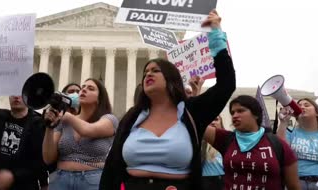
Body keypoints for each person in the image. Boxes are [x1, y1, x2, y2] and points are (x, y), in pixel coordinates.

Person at [100, 10, 236, 190]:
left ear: (172, 79)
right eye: (145, 72)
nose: (148, 74)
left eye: (155, 70)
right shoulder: (132, 117)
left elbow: (226, 85)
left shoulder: (192, 112)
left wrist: (216, 35)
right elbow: (112, 167)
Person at [0, 49, 49, 190]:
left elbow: (40, 161)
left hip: (23, 186)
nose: (16, 96)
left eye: (20, 93)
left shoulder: (38, 123)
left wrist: (14, 176)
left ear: (28, 97)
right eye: (13, 92)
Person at [206, 95, 300, 190]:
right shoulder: (225, 138)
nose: (234, 115)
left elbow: (293, 186)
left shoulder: (278, 144)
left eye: (240, 111)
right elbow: (197, 123)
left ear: (256, 115)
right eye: (232, 112)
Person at [42, 78, 119, 190]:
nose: (83, 90)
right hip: (60, 180)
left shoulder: (109, 120)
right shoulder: (63, 121)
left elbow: (88, 130)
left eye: (90, 88)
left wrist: (66, 116)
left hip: (93, 181)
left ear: (99, 98)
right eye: (83, 87)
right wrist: (49, 127)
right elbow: (48, 158)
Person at [277, 98, 318, 190]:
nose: (302, 107)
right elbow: (280, 151)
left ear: (317, 113)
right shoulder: (291, 132)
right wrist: (283, 122)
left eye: (306, 105)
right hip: (296, 182)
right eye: (299, 106)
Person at [201, 116, 225, 190]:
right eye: (210, 120)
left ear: (221, 123)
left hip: (223, 178)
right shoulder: (201, 140)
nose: (212, 122)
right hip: (205, 180)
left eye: (216, 119)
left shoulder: (227, 140)